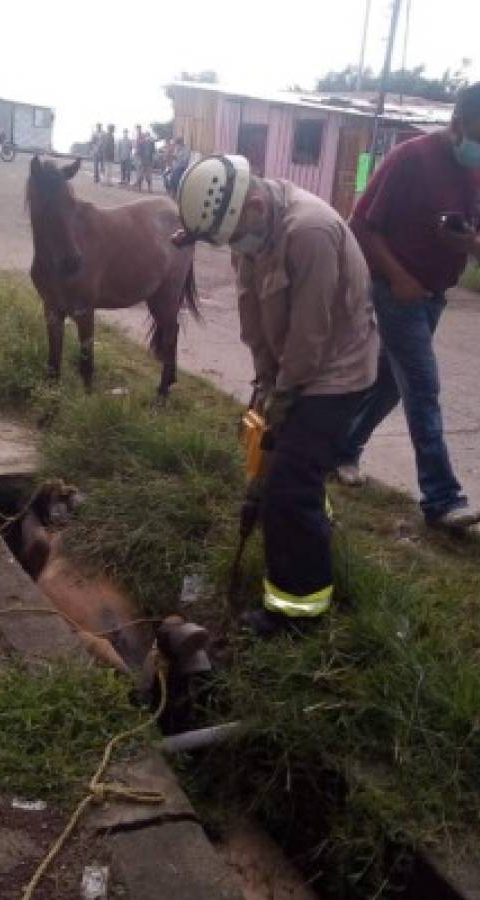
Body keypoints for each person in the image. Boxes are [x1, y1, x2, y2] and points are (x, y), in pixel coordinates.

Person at [175, 155, 379, 638]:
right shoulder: (250, 231)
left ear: (258, 205)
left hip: (337, 373)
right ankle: (311, 532)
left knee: (287, 488)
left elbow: (312, 332)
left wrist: (286, 395)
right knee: (285, 471)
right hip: (293, 369)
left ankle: (297, 612)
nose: (237, 251)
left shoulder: (310, 232)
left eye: (237, 240)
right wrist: (266, 383)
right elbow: (253, 315)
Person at [336, 81, 480, 530]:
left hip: (434, 294)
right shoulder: (409, 159)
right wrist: (399, 278)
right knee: (423, 386)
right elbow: (361, 224)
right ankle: (442, 498)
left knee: (390, 383)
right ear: (456, 124)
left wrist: (472, 242)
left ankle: (340, 449)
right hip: (398, 293)